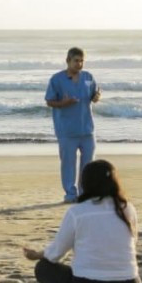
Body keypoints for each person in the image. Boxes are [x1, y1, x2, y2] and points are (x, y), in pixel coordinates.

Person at [23, 160, 142, 283]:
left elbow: (56, 253)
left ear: (85, 183)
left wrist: (37, 255)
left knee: (43, 268)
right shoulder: (127, 208)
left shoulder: (77, 212)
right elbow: (132, 242)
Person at [45, 47, 101, 203]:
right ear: (68, 61)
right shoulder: (57, 80)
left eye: (82, 61)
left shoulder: (88, 77)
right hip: (67, 130)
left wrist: (97, 97)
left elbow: (94, 95)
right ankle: (70, 194)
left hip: (87, 129)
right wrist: (63, 103)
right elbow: (49, 101)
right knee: (68, 164)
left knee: (88, 165)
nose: (79, 64)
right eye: (76, 61)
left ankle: (85, 193)